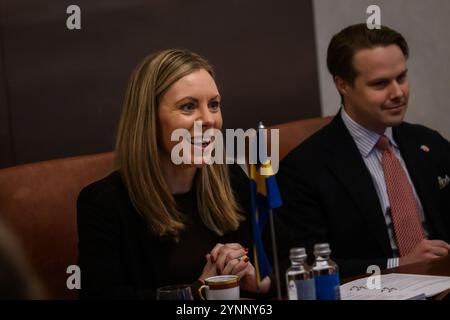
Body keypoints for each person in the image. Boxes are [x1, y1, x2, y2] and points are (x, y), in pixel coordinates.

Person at [76, 49, 272, 299]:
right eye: (188, 107)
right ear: (150, 120)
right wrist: (200, 289)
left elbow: (289, 257)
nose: (209, 119)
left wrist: (259, 283)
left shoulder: (231, 178)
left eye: (214, 104)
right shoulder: (104, 203)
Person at [276, 24, 450, 278]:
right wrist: (399, 264)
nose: (398, 93)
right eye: (380, 84)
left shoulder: (427, 142)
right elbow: (310, 264)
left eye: (401, 77)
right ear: (342, 85)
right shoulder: (303, 169)